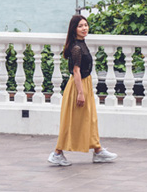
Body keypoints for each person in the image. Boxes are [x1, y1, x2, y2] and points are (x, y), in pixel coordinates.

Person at [48, 14, 117, 166]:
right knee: (71, 121)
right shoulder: (77, 48)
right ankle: (57, 153)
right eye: (80, 26)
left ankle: (97, 150)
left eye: (85, 25)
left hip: (84, 84)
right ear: (74, 29)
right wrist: (80, 93)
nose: (84, 28)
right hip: (78, 86)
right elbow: (76, 71)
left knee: (90, 119)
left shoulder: (81, 43)